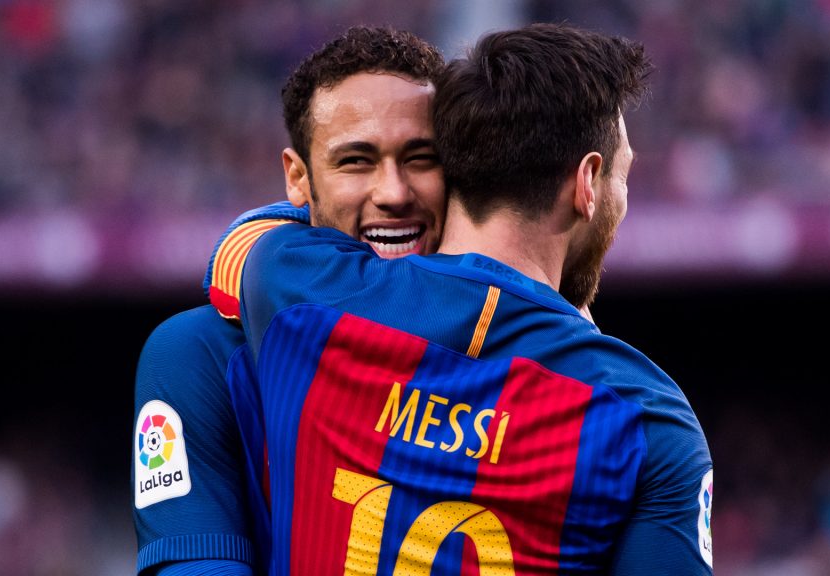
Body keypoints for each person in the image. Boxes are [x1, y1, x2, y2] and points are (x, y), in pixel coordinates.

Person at [231, 23, 714, 574]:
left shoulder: (295, 286)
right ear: (588, 182)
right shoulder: (646, 418)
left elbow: (253, 239)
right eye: (623, 176)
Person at [132, 26, 447, 575]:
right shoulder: (199, 355)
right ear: (298, 178)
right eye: (356, 161)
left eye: (421, 158)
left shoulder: (522, 334)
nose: (394, 193)